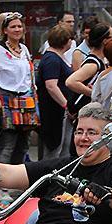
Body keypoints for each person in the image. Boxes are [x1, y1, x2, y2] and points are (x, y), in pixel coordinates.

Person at [0, 12, 39, 164]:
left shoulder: (24, 50)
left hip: (26, 101)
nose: (17, 29)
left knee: (23, 144)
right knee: (6, 144)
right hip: (6, 100)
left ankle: (17, 180)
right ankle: (0, 182)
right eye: (13, 27)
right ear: (5, 30)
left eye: (20, 26)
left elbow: (29, 77)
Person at [36, 24, 74, 158]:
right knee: (53, 151)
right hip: (53, 112)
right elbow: (51, 86)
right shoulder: (51, 59)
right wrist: (66, 105)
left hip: (59, 111)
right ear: (66, 41)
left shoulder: (57, 57)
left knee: (63, 149)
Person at [66, 23, 112, 114]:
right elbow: (70, 82)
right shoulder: (93, 64)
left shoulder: (102, 60)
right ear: (105, 40)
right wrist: (93, 93)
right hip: (85, 113)